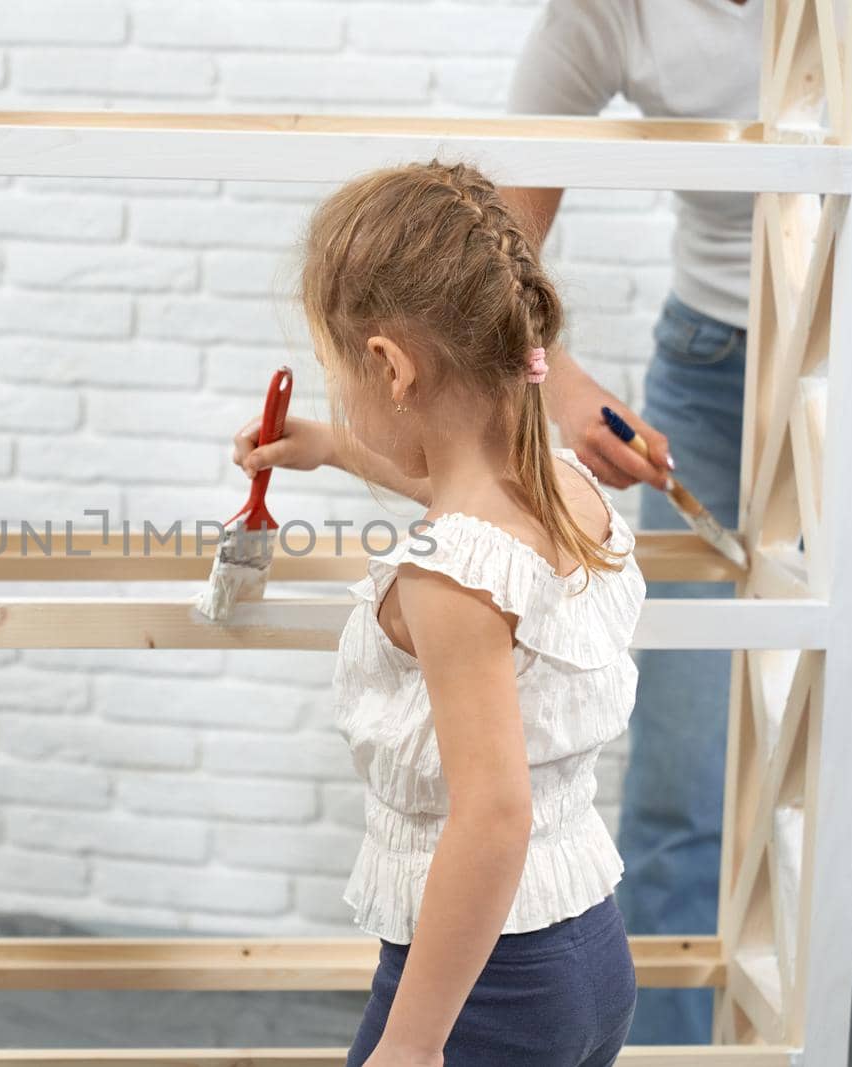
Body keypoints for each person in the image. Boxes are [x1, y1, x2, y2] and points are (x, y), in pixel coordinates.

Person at [498, 2, 852, 1060]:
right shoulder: (606, 13)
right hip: (720, 392)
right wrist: (559, 383)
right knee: (681, 800)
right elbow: (497, 236)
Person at [231, 159, 646, 1066]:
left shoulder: (446, 577)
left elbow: (493, 816)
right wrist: (333, 445)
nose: (338, 388)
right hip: (587, 953)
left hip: (488, 983)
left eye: (338, 373)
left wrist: (412, 1046)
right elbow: (449, 474)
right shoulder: (565, 494)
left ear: (390, 367)